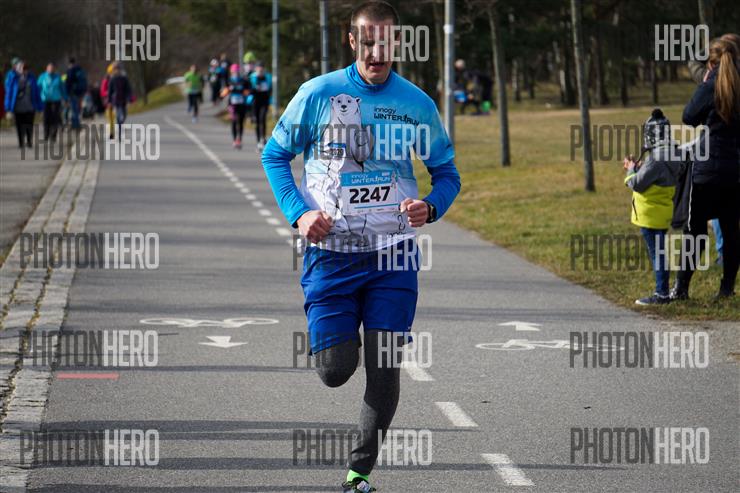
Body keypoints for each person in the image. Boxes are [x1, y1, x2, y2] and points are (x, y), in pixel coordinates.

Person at [261, 2, 460, 491]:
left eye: (385, 44)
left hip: (394, 254)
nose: (376, 53)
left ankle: (358, 474)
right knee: (335, 370)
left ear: (398, 44)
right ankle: (334, 336)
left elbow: (447, 174)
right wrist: (300, 213)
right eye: (367, 43)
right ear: (353, 42)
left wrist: (431, 206)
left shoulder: (416, 104)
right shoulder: (318, 94)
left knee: (384, 362)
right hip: (331, 255)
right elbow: (275, 154)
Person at [672, 37, 740, 300]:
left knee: (694, 230)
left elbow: (689, 117)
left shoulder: (710, 85)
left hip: (706, 169)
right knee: (731, 231)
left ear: (712, 62)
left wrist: (707, 77)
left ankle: (681, 288)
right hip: (733, 168)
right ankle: (726, 289)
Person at [623, 109, 682, 305]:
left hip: (649, 214)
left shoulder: (655, 159)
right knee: (660, 252)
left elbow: (636, 183)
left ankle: (662, 293)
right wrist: (641, 168)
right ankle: (664, 290)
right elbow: (658, 176)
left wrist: (631, 169)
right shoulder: (674, 154)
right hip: (663, 212)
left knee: (657, 254)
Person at [4, 60, 42, 149]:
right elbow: (9, 93)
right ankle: (21, 142)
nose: (23, 70)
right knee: (19, 125)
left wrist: (40, 106)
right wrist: (8, 107)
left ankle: (29, 141)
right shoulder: (13, 79)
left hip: (30, 107)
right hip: (18, 107)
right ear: (17, 69)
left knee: (29, 124)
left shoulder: (32, 78)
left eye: (25, 68)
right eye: (21, 68)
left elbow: (36, 92)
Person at [36, 62, 67, 142]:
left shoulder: (58, 77)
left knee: (55, 118)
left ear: (54, 69)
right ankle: (46, 135)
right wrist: (37, 98)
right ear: (47, 69)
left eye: (52, 68)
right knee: (46, 118)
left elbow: (62, 89)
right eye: (49, 68)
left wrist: (65, 98)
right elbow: (37, 88)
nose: (51, 70)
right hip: (45, 100)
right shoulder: (42, 77)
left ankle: (53, 135)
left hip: (56, 100)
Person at [221, 63, 250, 149]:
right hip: (232, 104)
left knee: (240, 121)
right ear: (231, 72)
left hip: (242, 104)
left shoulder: (243, 81)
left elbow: (248, 91)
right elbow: (223, 93)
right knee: (234, 121)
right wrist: (228, 90)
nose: (235, 73)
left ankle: (239, 139)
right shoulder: (229, 81)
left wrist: (243, 91)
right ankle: (234, 140)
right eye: (234, 71)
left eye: (237, 71)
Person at [249, 62, 271, 152]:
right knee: (257, 121)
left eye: (262, 68)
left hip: (264, 102)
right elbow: (249, 89)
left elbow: (270, 88)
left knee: (262, 119)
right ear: (256, 69)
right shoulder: (252, 77)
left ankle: (263, 138)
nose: (260, 70)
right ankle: (258, 141)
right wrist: (255, 87)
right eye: (259, 68)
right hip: (255, 102)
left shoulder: (268, 77)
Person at [108, 63, 133, 140]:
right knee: (119, 116)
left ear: (120, 70)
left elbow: (128, 89)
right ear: (114, 70)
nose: (117, 71)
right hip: (116, 101)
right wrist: (109, 101)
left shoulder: (124, 78)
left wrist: (129, 99)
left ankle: (120, 124)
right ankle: (119, 133)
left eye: (118, 69)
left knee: (124, 116)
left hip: (123, 100)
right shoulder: (112, 79)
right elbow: (110, 91)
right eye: (115, 69)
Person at [64, 57, 87, 130]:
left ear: (69, 63)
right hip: (80, 92)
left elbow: (67, 82)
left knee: (72, 109)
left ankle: (74, 125)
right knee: (76, 109)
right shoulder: (80, 70)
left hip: (72, 92)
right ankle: (76, 124)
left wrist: (66, 92)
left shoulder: (70, 70)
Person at [100, 63, 116, 139]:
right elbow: (102, 92)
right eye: (112, 72)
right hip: (108, 101)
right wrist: (109, 93)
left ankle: (116, 130)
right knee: (110, 117)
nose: (113, 73)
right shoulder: (106, 80)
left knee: (115, 116)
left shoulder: (118, 78)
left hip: (116, 101)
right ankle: (111, 132)